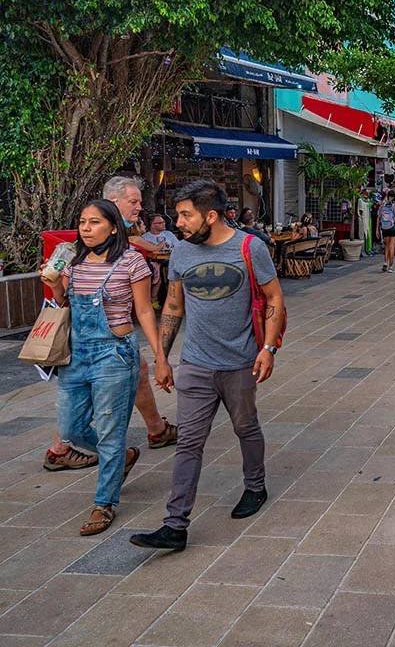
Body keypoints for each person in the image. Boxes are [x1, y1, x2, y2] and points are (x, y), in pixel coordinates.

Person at [130, 180, 284, 552]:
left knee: (245, 426)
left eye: (186, 215)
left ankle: (255, 486)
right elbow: (173, 306)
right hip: (196, 364)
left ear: (210, 216)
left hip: (240, 362)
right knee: (188, 444)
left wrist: (267, 349)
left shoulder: (250, 247)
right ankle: (175, 525)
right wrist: (162, 357)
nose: (178, 222)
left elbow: (274, 296)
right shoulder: (181, 253)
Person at [41, 200, 168, 535]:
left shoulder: (131, 262)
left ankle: (105, 502)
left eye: (94, 222)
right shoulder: (74, 260)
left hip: (115, 354)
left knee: (110, 432)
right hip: (76, 353)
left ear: (113, 227)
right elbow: (64, 302)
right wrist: (54, 282)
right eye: (82, 221)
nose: (86, 228)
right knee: (70, 428)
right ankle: (121, 457)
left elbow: (143, 312)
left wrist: (160, 357)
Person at [377, 191, 395, 272]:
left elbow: (379, 217)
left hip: (384, 227)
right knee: (392, 246)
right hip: (393, 228)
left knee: (387, 246)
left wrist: (377, 229)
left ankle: (385, 262)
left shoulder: (382, 206)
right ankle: (390, 267)